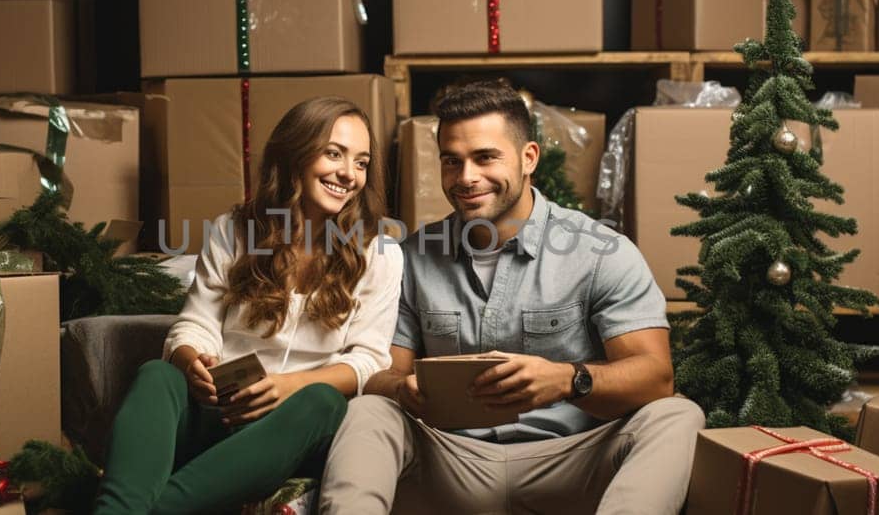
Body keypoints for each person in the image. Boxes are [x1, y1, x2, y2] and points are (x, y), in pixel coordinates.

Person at [319, 80, 704, 515]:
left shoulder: (601, 251)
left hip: (573, 461)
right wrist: (404, 391)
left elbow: (655, 377)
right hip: (452, 462)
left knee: (676, 416)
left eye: (485, 157)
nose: (466, 178)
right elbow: (382, 373)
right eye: (452, 161)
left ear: (529, 158)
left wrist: (568, 380)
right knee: (369, 411)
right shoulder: (412, 258)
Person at [95, 96, 403, 514]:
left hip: (295, 426)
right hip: (220, 410)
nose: (348, 174)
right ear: (295, 153)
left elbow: (369, 360)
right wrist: (191, 361)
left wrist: (287, 387)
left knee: (324, 402)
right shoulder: (234, 231)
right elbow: (194, 325)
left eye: (362, 162)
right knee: (157, 374)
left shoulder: (379, 252)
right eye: (334, 154)